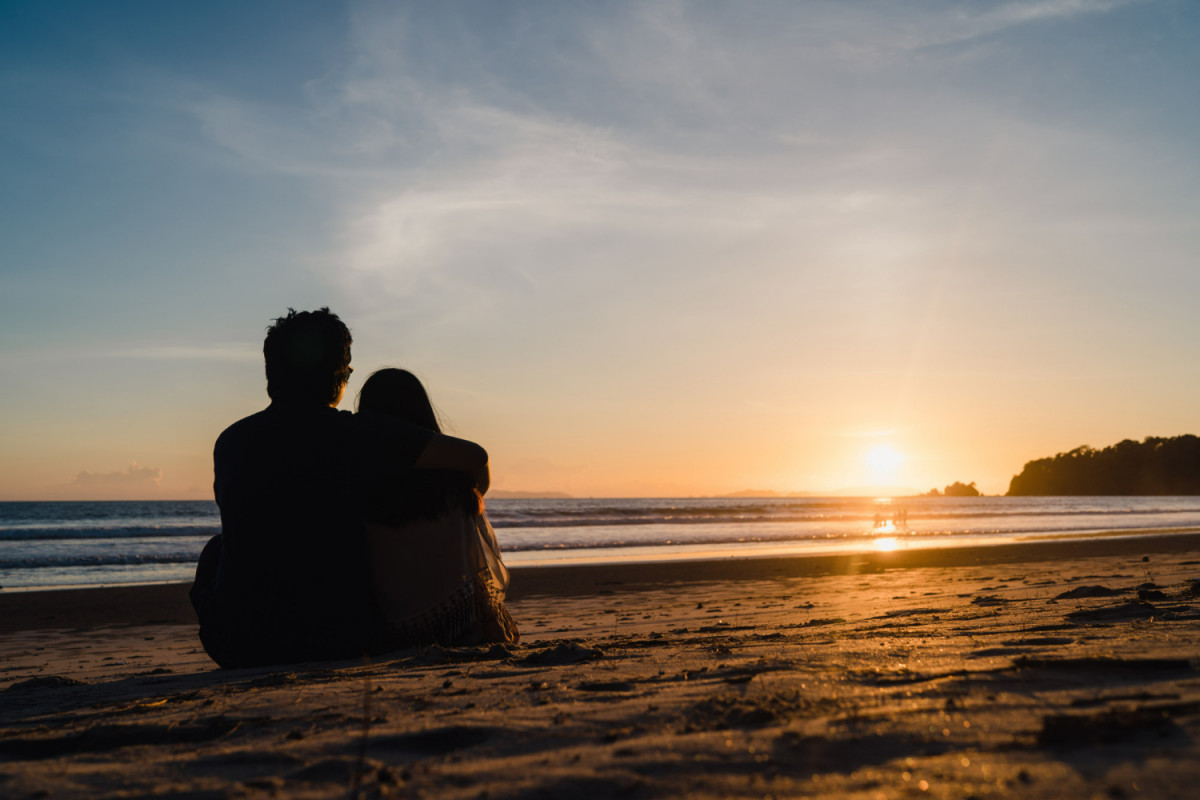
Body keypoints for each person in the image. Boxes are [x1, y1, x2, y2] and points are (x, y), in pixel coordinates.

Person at [191, 308, 490, 668]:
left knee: (217, 549)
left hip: (237, 643)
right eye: (347, 371)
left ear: (271, 376)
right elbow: (475, 457)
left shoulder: (231, 442)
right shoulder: (362, 434)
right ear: (338, 377)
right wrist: (469, 505)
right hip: (340, 638)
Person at [356, 368, 519, 649]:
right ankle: (485, 620)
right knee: (469, 503)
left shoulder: (359, 483)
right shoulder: (454, 485)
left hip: (390, 626)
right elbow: (480, 471)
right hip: (455, 621)